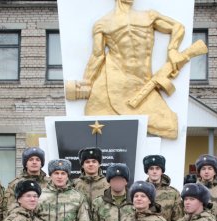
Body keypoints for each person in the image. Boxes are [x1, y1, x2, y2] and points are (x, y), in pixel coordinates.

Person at [68, 0, 188, 139]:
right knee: (95, 123)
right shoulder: (103, 23)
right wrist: (86, 82)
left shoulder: (149, 16)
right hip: (116, 79)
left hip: (143, 81)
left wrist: (172, 50)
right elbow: (97, 55)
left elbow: (178, 27)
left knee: (169, 126)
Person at [4, 147, 49, 211]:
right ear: (26, 164)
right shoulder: (15, 183)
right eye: (31, 159)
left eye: (37, 160)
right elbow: (8, 207)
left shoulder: (50, 183)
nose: (34, 162)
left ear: (41, 164)